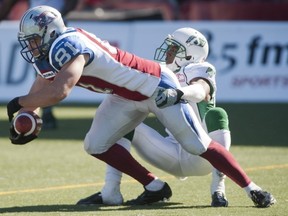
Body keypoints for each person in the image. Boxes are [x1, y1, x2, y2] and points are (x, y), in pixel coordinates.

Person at [7, 5, 275, 208]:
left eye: (33, 39)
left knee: (197, 145)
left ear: (49, 32)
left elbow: (59, 91)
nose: (31, 45)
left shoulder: (68, 45)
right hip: (124, 95)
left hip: (155, 86)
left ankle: (253, 188)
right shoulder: (54, 47)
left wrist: (18, 103)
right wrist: (28, 115)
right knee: (94, 144)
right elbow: (44, 82)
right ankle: (155, 186)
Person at [75, 28, 258, 207]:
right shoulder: (160, 71)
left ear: (190, 54)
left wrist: (179, 93)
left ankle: (219, 188)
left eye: (174, 48)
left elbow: (201, 90)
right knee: (121, 125)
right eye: (169, 46)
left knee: (218, 115)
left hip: (202, 157)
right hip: (169, 152)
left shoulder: (200, 68)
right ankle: (113, 190)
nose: (168, 51)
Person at [0, 0, 79, 129]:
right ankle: (42, 112)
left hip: (54, 29)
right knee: (43, 72)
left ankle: (45, 112)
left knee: (50, 73)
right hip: (34, 27)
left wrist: (55, 19)